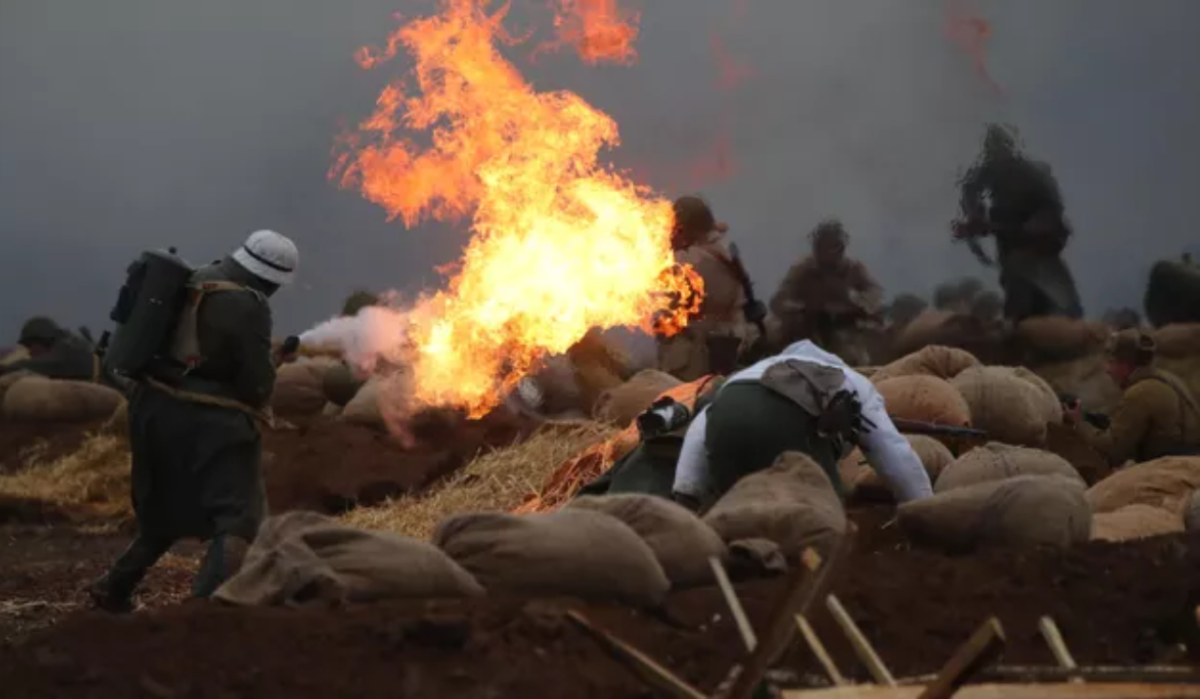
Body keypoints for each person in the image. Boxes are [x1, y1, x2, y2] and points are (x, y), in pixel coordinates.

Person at [90, 230, 299, 612]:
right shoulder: (250, 304)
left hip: (151, 408)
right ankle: (204, 610)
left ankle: (114, 588)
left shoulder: (192, 278)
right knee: (239, 516)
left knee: (163, 511)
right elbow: (256, 386)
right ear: (270, 279)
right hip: (207, 420)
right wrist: (271, 365)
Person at [671, 340, 933, 510]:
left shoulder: (745, 376)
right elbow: (892, 450)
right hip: (788, 428)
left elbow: (702, 425)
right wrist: (924, 507)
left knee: (743, 512)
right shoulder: (848, 381)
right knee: (821, 517)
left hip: (724, 425)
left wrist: (686, 489)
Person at [954, 123, 1082, 322]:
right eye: (993, 150)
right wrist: (975, 216)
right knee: (1020, 300)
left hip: (1037, 249)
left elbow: (1048, 215)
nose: (997, 156)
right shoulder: (992, 172)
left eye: (1000, 148)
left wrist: (990, 226)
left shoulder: (1032, 175)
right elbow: (971, 187)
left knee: (1061, 306)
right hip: (1015, 246)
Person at [1065, 330, 1200, 466]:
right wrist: (1095, 420)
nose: (1107, 370)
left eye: (1112, 362)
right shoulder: (1170, 379)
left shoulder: (1139, 393)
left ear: (1126, 365)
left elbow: (1112, 450)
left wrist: (1079, 423)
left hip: (1171, 469)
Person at [656, 195, 753, 381]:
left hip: (695, 359)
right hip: (728, 348)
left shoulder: (692, 261)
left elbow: (667, 307)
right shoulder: (722, 250)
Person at [769, 220, 883, 365]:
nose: (825, 253)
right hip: (806, 333)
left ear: (841, 248)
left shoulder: (853, 270)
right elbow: (778, 301)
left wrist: (855, 303)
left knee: (858, 359)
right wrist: (804, 308)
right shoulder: (803, 269)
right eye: (820, 247)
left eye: (832, 247)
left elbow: (875, 297)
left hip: (845, 332)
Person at [0, 316, 97, 381]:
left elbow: (41, 365)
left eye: (29, 346)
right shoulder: (68, 348)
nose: (29, 353)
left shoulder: (67, 352)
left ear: (41, 340)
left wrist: (4, 369)